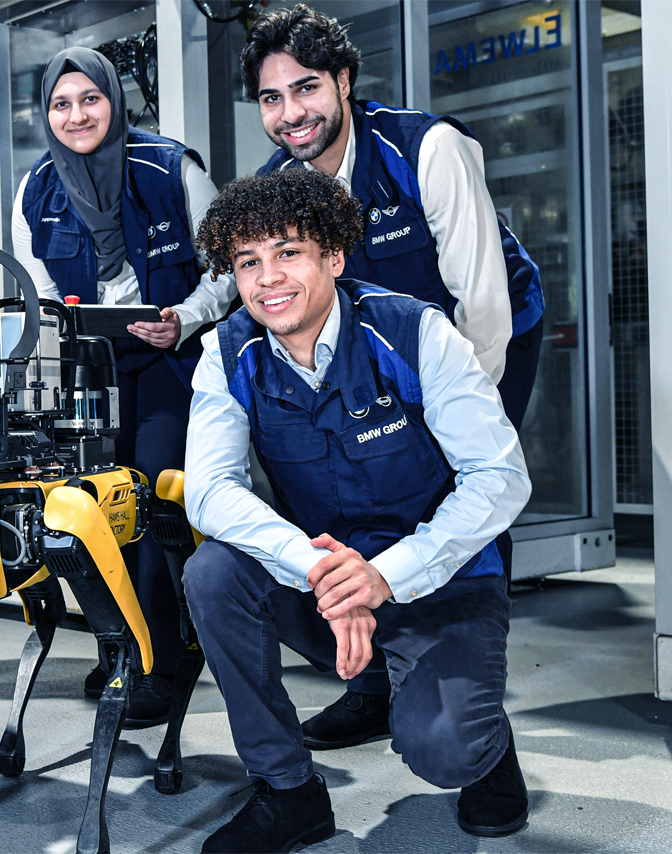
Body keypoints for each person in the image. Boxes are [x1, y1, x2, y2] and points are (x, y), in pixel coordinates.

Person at [183, 168, 531, 853]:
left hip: (442, 581)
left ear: (334, 257)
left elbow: (500, 475)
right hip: (327, 581)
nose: (268, 278)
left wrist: (388, 575)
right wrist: (317, 568)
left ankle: (485, 743)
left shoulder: (413, 332)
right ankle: (288, 793)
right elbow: (210, 489)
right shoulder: (228, 355)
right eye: (248, 262)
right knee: (213, 572)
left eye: (288, 253)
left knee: (445, 752)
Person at [244, 4, 546, 750]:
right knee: (344, 500)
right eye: (272, 98)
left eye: (307, 89)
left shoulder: (426, 148)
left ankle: (477, 708)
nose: (291, 114)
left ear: (344, 80)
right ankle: (373, 683)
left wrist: (440, 430)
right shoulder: (278, 182)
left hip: (483, 339)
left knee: (465, 496)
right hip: (377, 353)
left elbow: (482, 303)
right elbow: (259, 285)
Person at [11, 47, 236, 726]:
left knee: (151, 510)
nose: (76, 115)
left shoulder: (171, 168)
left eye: (89, 99)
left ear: (114, 101)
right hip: (89, 372)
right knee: (95, 515)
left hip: (170, 364)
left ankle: (163, 664)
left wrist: (185, 318)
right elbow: (40, 295)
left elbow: (228, 270)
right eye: (61, 104)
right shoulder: (38, 188)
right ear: (45, 114)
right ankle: (123, 649)